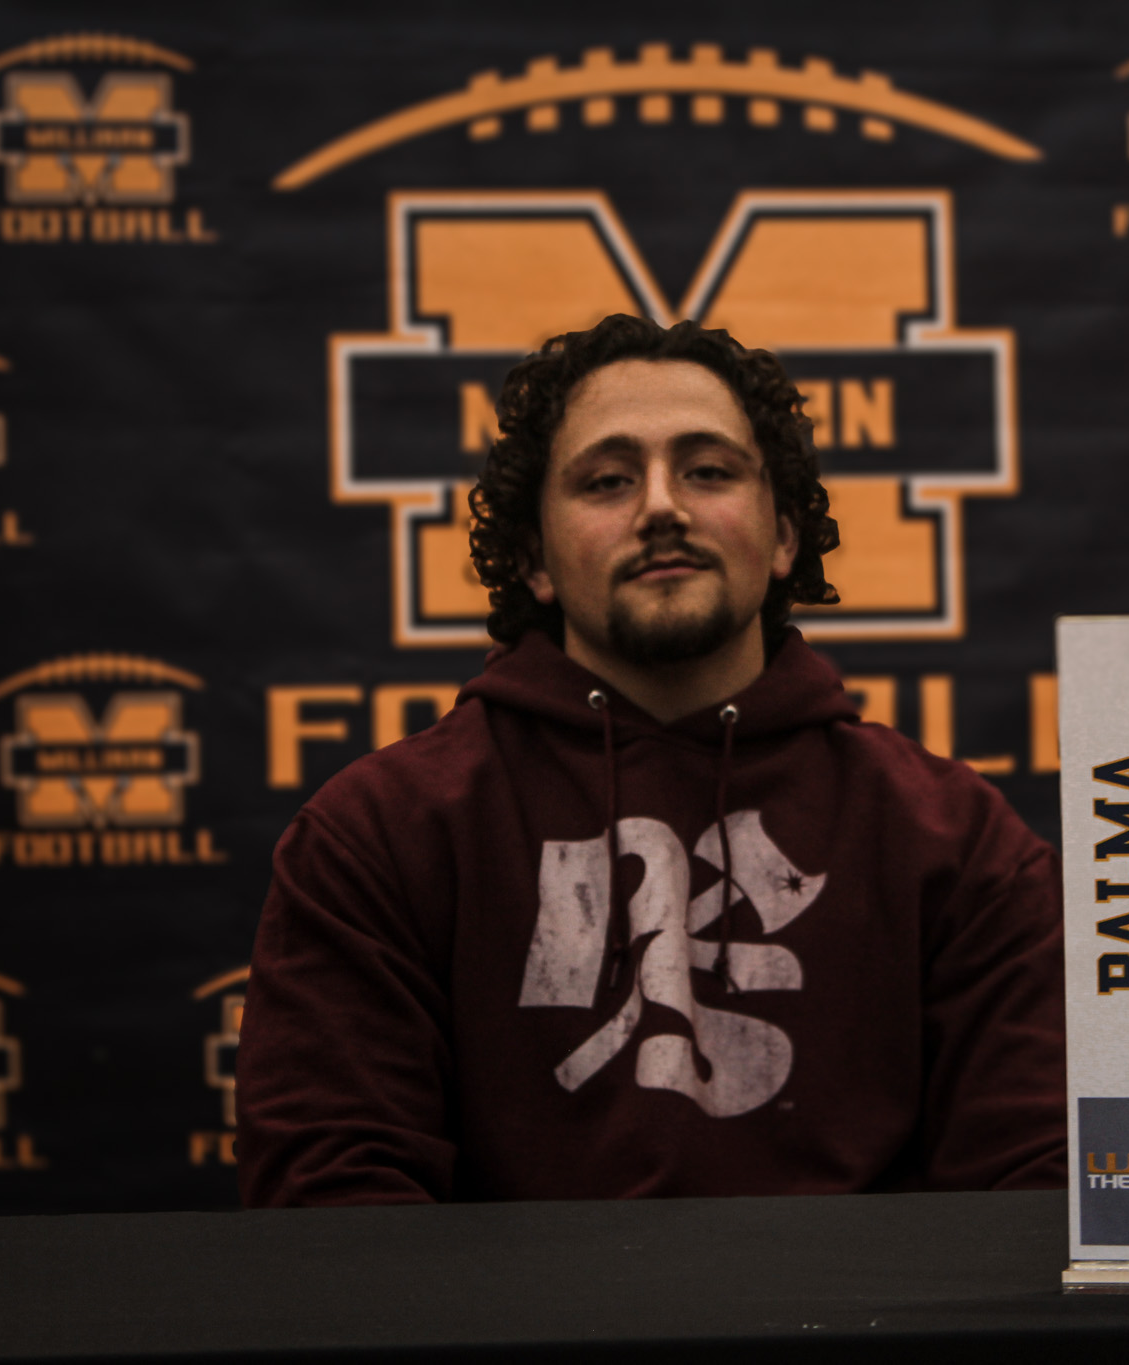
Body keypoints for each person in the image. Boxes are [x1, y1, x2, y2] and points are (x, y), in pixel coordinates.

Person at [235, 314, 1065, 1204]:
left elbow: (1035, 1190)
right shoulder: (382, 831)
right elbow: (333, 1204)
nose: (662, 506)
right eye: (608, 480)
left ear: (784, 535)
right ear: (534, 559)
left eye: (708, 471)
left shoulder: (953, 838)